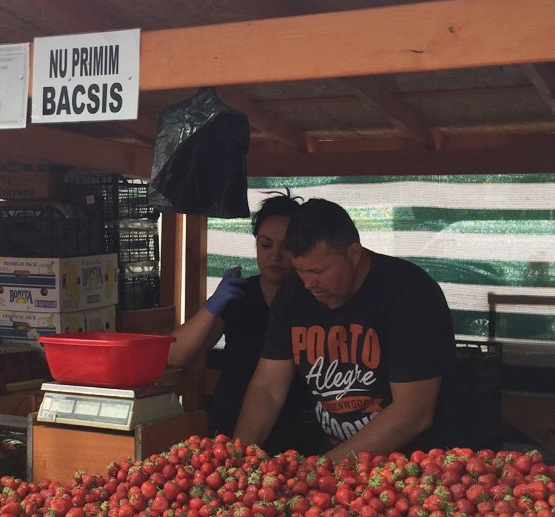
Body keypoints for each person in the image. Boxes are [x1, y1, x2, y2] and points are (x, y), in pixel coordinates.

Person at [233, 198, 460, 462]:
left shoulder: (409, 294)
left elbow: (413, 413)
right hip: (339, 462)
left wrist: (323, 468)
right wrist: (236, 458)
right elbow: (268, 387)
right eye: (300, 271)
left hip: (415, 466)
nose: (308, 283)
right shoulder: (293, 294)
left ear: (353, 254)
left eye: (318, 271)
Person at [167, 189, 321, 453]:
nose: (275, 256)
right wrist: (213, 305)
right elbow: (175, 355)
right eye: (265, 245)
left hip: (300, 437)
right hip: (232, 428)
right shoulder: (239, 296)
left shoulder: (317, 296)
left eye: (286, 247)